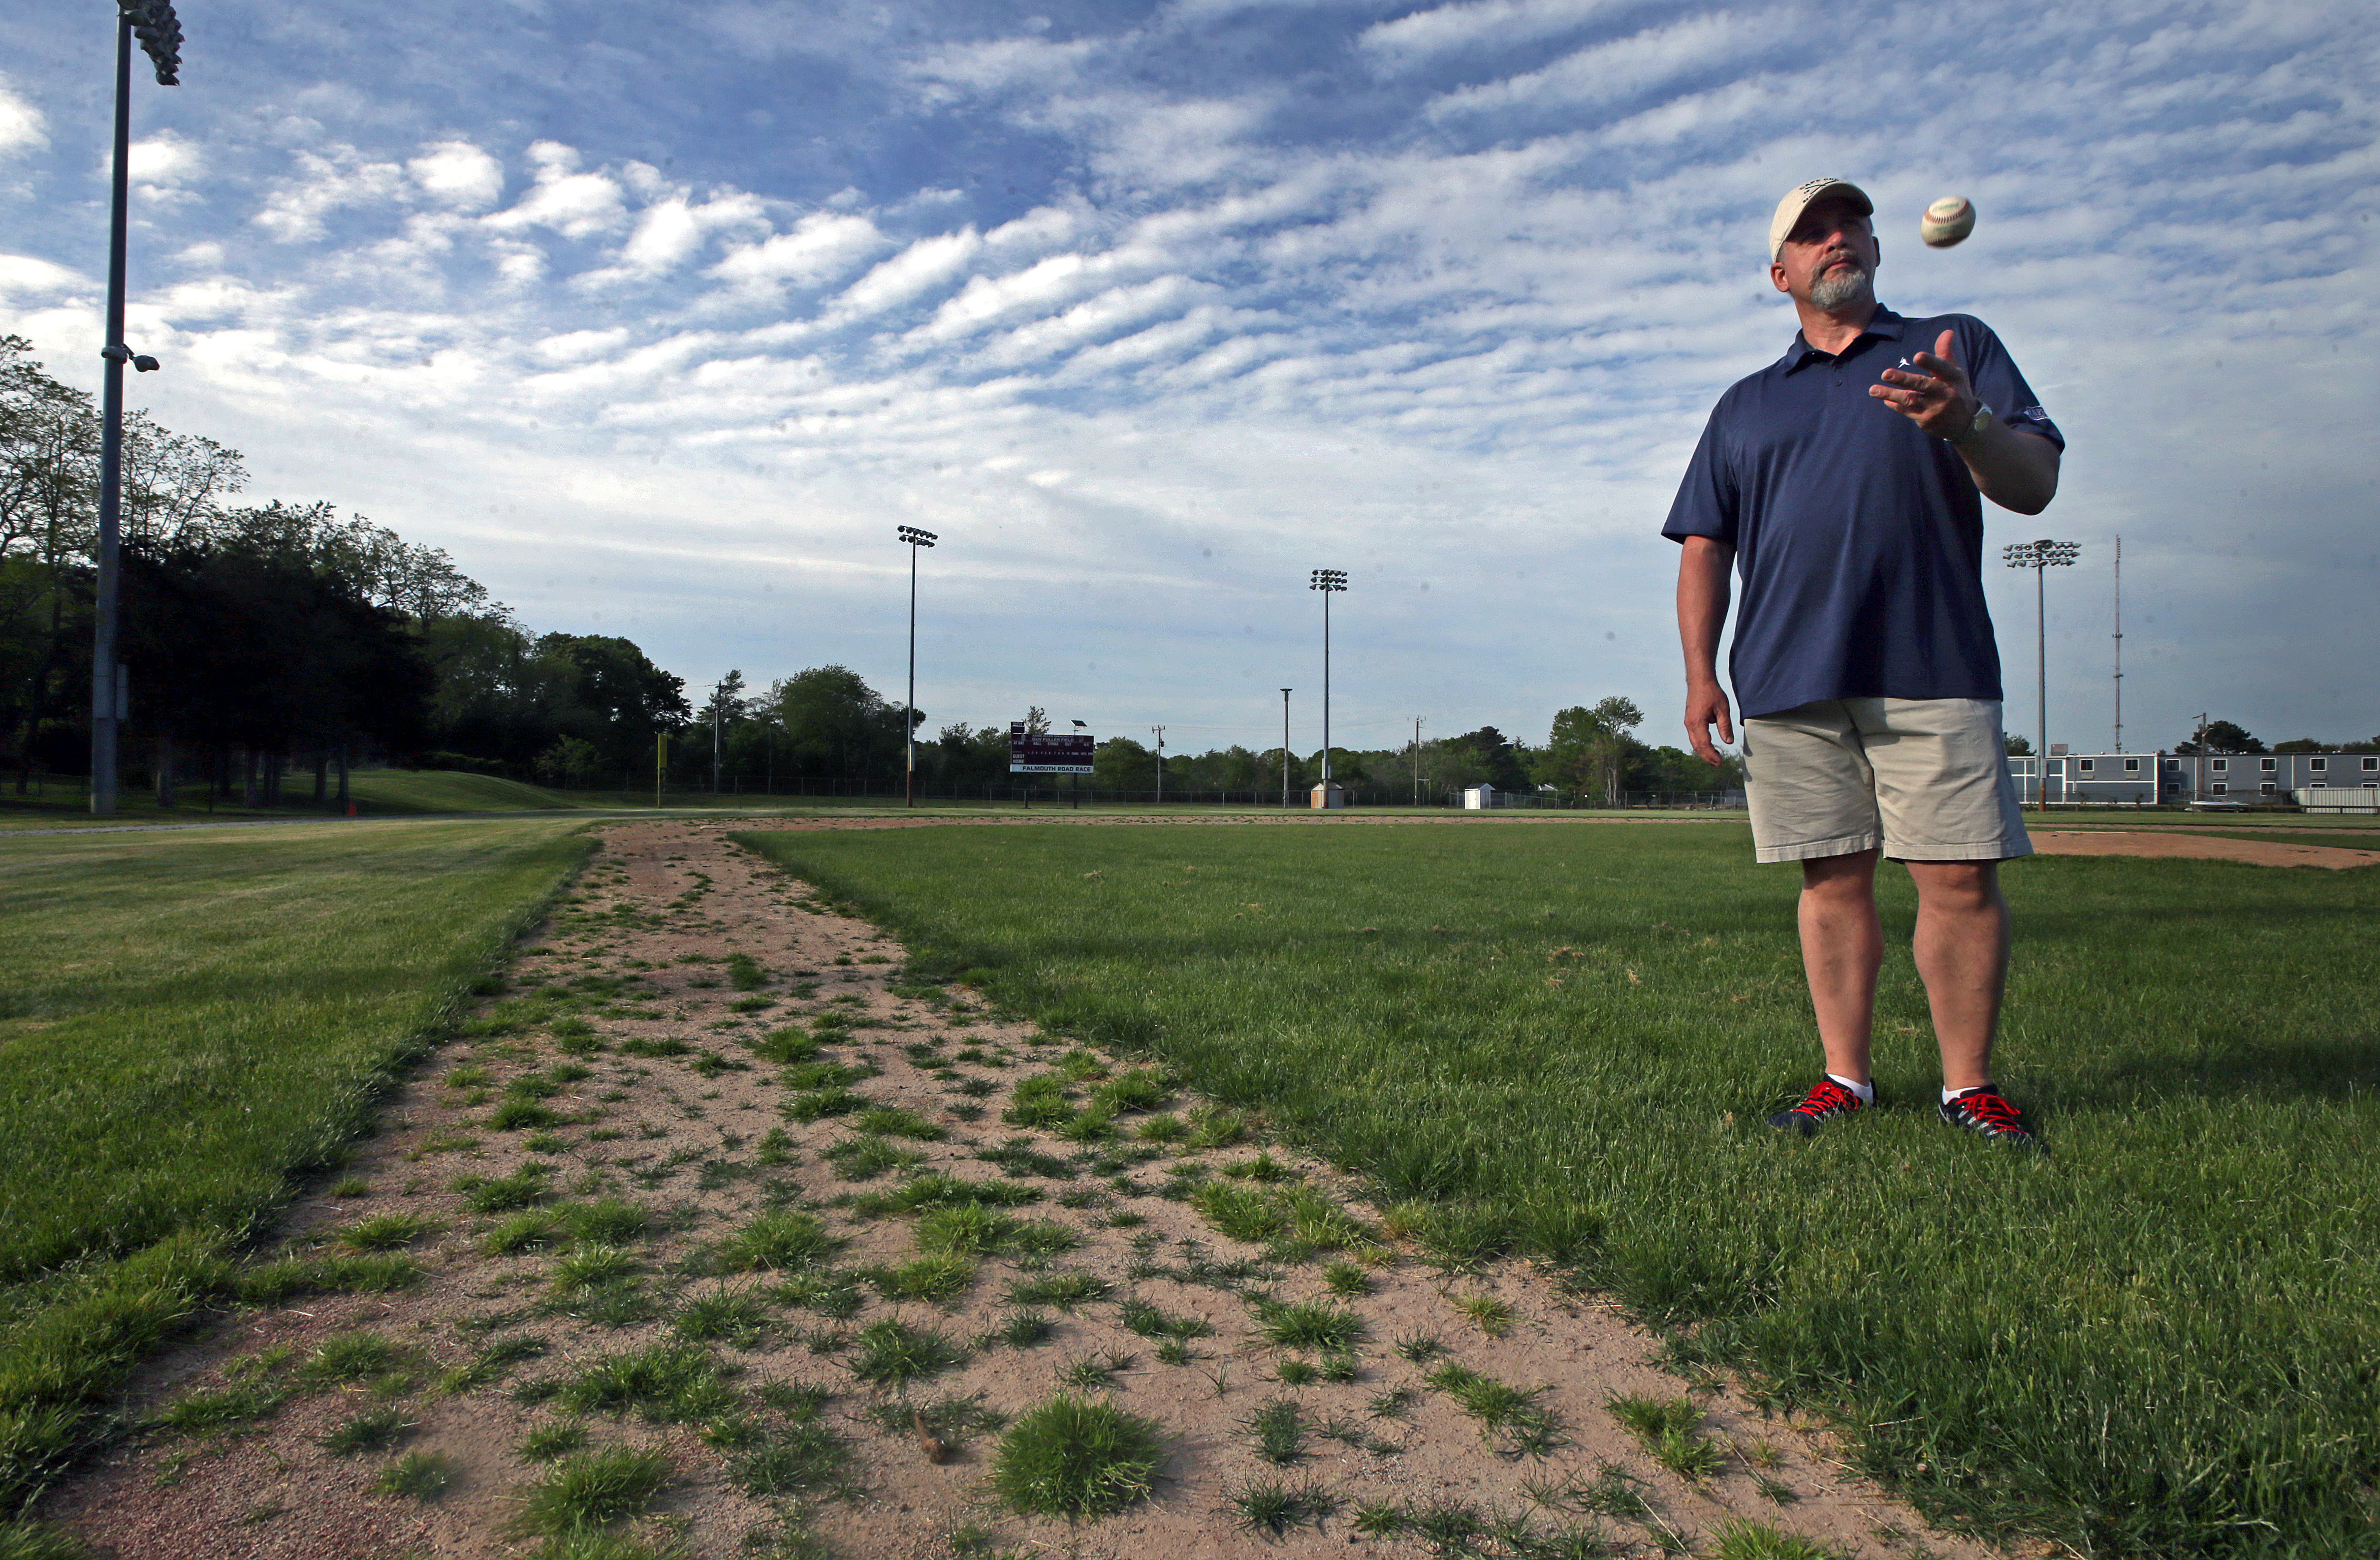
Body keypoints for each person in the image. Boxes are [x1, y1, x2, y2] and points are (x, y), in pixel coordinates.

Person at [1662, 177, 2064, 1148]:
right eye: (1812, 232)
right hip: (1789, 679)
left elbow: (2037, 484)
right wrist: (1700, 675)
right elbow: (1705, 547)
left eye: (1850, 224)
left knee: (1959, 882)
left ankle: (1968, 1087)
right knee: (1831, 885)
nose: (1837, 239)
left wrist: (1966, 423)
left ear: (1879, 249)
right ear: (1781, 272)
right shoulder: (1747, 405)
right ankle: (1846, 1077)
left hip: (1934, 661)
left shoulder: (1949, 346)